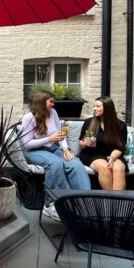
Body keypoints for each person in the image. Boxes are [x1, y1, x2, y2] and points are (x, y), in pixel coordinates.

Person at [21, 91, 91, 220]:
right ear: (42, 102)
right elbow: (27, 144)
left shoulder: (53, 113)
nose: (53, 104)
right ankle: (51, 204)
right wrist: (49, 138)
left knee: (75, 163)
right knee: (55, 164)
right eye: (51, 102)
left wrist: (66, 149)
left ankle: (85, 203)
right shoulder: (29, 118)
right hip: (34, 151)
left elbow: (60, 133)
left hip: (53, 148)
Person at [79, 96, 128, 191]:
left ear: (107, 108)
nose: (94, 109)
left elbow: (120, 147)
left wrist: (112, 157)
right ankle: (110, 202)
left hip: (113, 154)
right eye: (94, 106)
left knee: (118, 168)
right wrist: (85, 143)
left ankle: (118, 202)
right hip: (92, 154)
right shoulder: (89, 122)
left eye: (98, 106)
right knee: (105, 167)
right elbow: (81, 142)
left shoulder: (120, 125)